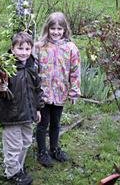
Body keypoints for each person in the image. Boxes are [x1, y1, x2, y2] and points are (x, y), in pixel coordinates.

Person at [0, 31, 43, 185]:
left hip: (28, 113)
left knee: (26, 142)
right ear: (12, 49)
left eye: (27, 49)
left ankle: (18, 167)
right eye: (20, 49)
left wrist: (38, 109)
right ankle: (12, 173)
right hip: (11, 115)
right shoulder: (6, 68)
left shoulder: (32, 66)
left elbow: (37, 89)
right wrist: (0, 88)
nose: (24, 53)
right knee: (14, 146)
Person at [35, 12, 81, 167]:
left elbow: (75, 71)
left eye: (59, 29)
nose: (56, 32)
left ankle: (54, 149)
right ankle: (42, 152)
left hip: (60, 92)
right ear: (47, 29)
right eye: (52, 28)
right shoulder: (39, 47)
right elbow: (33, 69)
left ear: (65, 29)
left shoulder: (71, 48)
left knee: (56, 122)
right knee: (43, 123)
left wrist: (74, 91)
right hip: (43, 93)